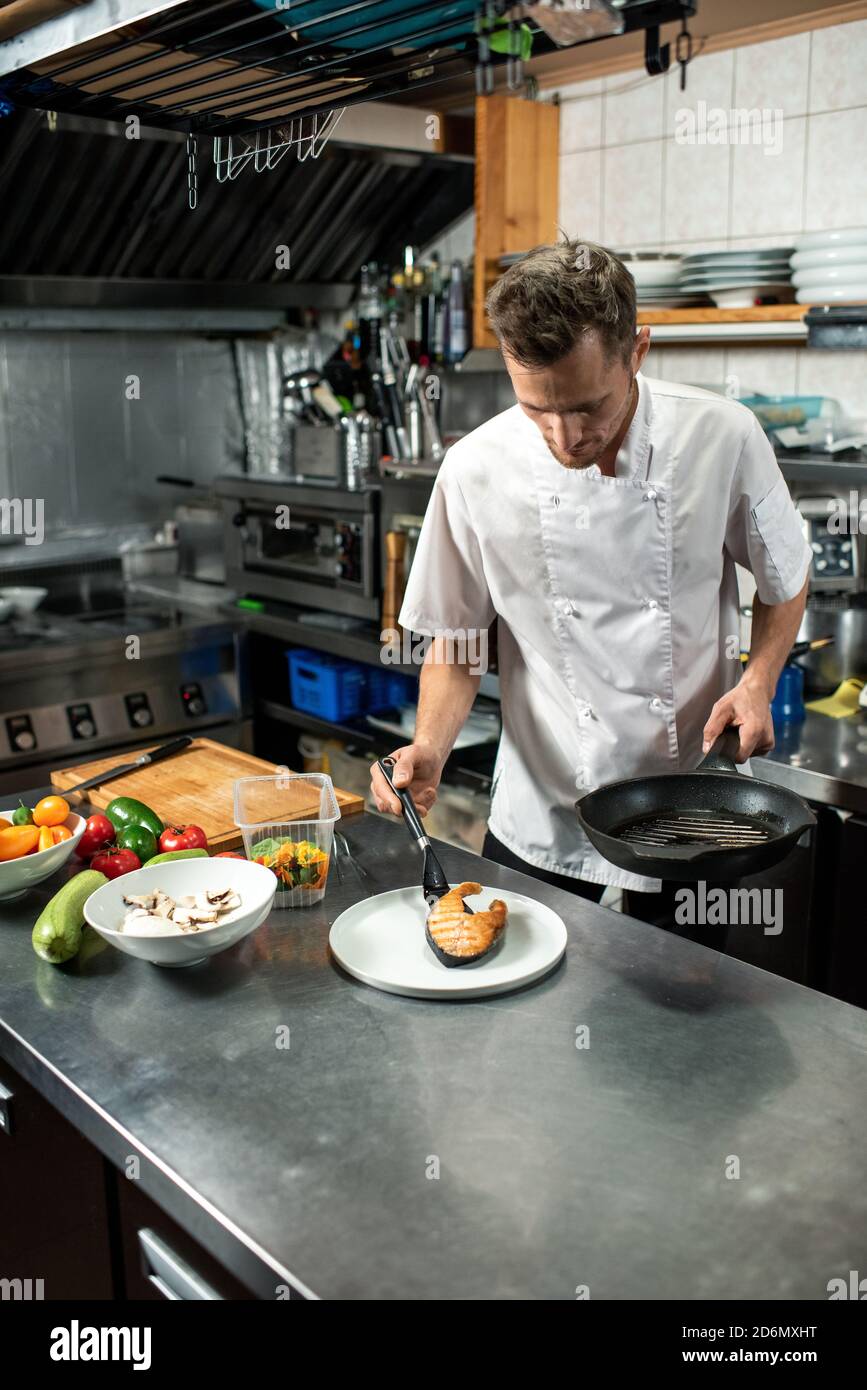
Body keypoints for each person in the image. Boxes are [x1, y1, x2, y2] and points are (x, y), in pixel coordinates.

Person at [370, 240, 811, 933]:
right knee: (520, 1011)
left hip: (692, 799)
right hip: (541, 807)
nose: (564, 435)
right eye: (535, 409)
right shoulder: (473, 468)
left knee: (684, 1009)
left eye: (585, 406)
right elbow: (456, 643)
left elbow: (785, 577)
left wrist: (756, 682)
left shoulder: (721, 437)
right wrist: (429, 746)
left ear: (636, 351)